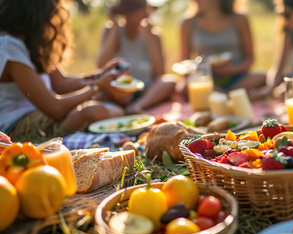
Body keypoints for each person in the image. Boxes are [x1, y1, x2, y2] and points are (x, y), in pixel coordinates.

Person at [0, 0, 127, 142]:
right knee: (94, 111)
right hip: (21, 126)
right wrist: (97, 86)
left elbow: (61, 83)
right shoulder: (9, 46)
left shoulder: (31, 41)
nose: (55, 15)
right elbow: (55, 109)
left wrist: (101, 74)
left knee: (105, 104)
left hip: (43, 115)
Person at [97, 0, 175, 115]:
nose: (130, 17)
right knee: (102, 93)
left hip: (147, 91)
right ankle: (128, 106)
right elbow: (101, 64)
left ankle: (136, 106)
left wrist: (150, 36)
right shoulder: (110, 30)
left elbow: (160, 73)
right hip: (119, 90)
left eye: (134, 12)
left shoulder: (154, 34)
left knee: (169, 81)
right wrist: (114, 27)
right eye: (128, 12)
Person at [179, 0, 266, 94]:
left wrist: (231, 70)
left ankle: (219, 94)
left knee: (261, 77)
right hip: (206, 78)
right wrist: (201, 68)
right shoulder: (187, 23)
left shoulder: (240, 19)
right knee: (183, 87)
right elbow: (184, 63)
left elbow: (250, 58)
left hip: (237, 77)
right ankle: (230, 95)